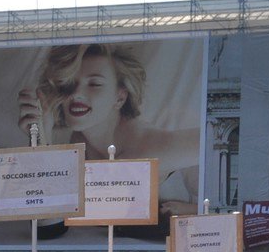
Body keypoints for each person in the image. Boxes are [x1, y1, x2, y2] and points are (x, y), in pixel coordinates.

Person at [16, 42, 200, 226]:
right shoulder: (77, 142)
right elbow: (45, 222)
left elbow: (50, 221)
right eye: (69, 83)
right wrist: (40, 136)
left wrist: (198, 210)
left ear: (120, 97)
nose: (76, 94)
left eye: (94, 84)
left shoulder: (146, 151)